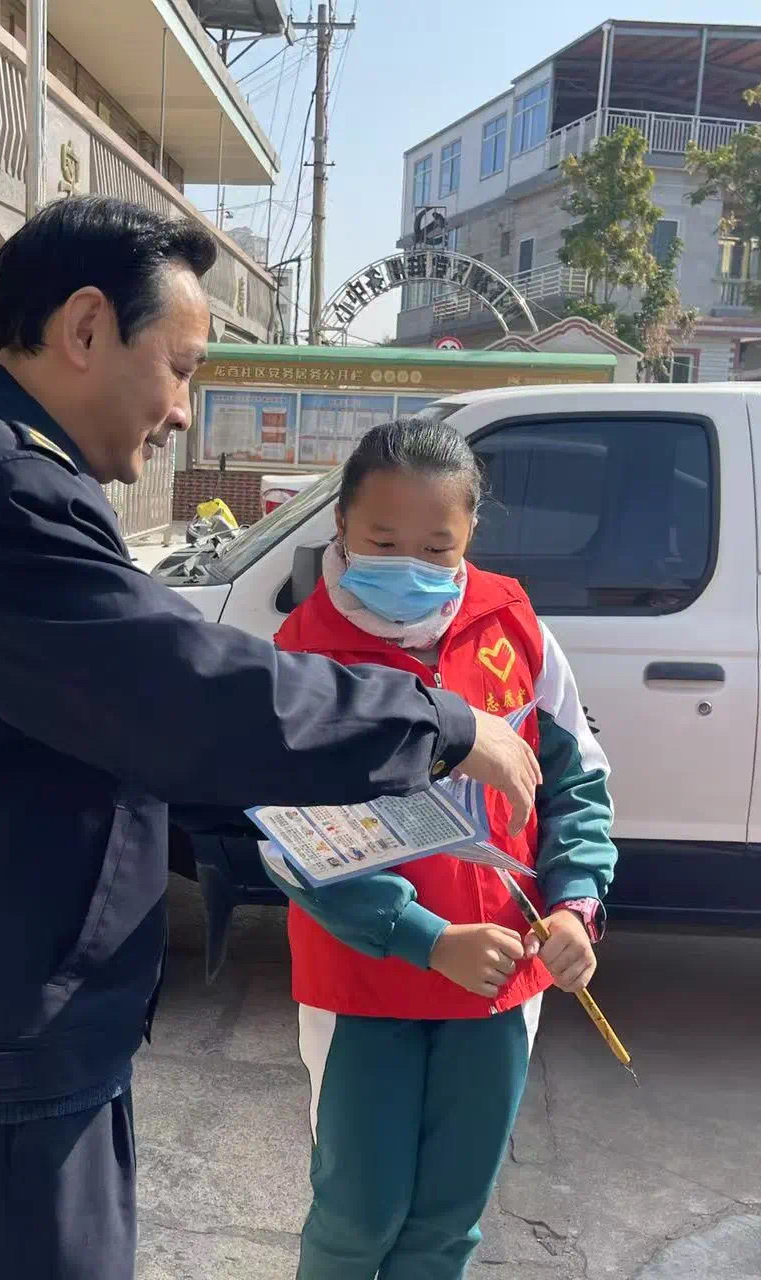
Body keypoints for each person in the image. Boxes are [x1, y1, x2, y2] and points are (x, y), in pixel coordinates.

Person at [0, 196, 543, 1280]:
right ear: (85, 328)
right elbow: (179, 688)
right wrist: (439, 725)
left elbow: (111, 716)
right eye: (179, 367)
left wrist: (287, 819)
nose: (180, 409)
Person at [265, 419, 617, 1280]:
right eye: (383, 542)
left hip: (500, 980)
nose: (409, 568)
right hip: (363, 983)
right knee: (358, 1217)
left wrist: (575, 906)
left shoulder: (512, 624)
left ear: (470, 536)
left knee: (449, 1222)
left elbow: (577, 780)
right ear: (341, 524)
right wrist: (425, 938)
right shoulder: (301, 656)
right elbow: (293, 843)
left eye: (436, 549)